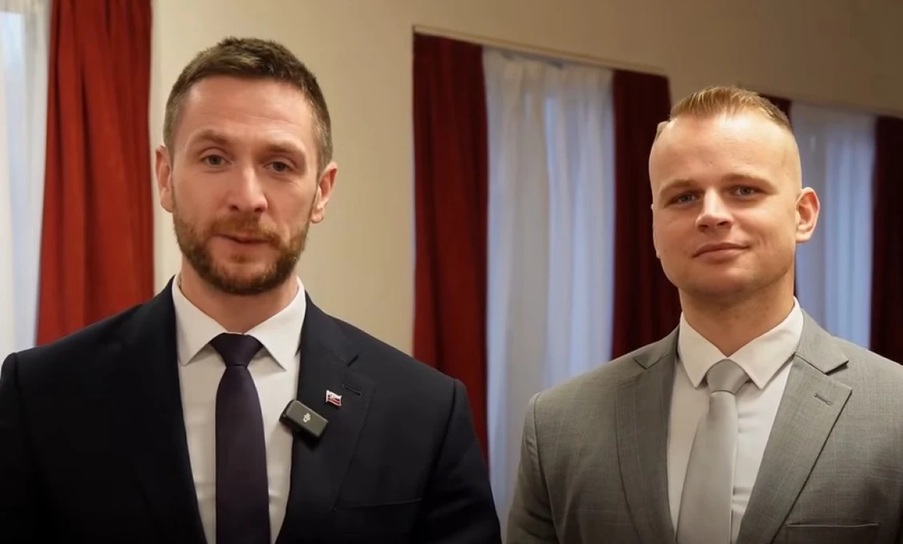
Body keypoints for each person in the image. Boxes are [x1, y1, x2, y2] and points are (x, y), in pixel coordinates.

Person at [0, 36, 501, 544]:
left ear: (321, 192)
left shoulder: (424, 412)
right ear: (166, 176)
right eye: (215, 159)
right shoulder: (41, 395)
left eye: (279, 165)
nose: (246, 198)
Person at [505, 86, 903, 543]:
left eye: (743, 190)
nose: (711, 215)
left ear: (803, 215)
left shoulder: (894, 414)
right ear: (654, 228)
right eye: (684, 197)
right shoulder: (559, 426)